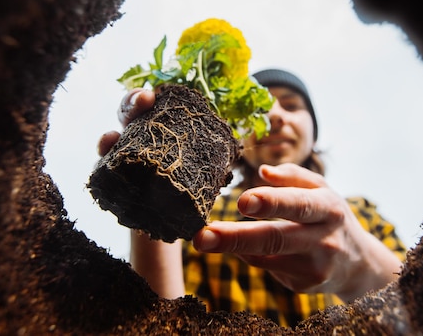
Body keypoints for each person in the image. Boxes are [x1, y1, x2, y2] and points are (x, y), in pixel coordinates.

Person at [97, 68, 407, 327]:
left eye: (291, 104)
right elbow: (162, 321)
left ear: (314, 128)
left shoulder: (362, 216)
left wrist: (359, 267)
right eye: (257, 109)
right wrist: (151, 199)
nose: (274, 116)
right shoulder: (201, 219)